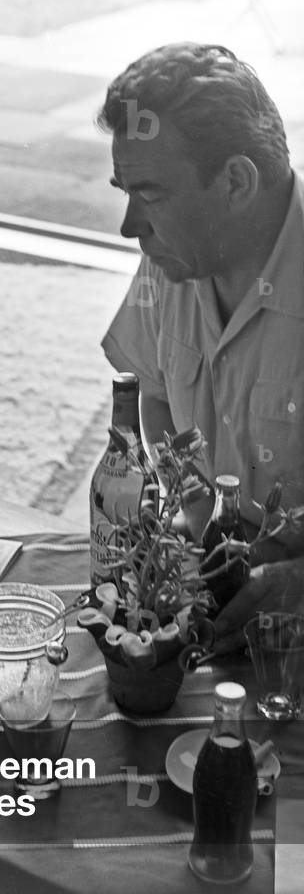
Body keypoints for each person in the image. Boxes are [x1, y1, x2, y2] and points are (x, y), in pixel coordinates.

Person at [97, 42, 304, 647]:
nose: (129, 227)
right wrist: (194, 514)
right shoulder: (175, 257)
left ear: (237, 182)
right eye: (124, 192)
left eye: (152, 196)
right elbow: (155, 394)